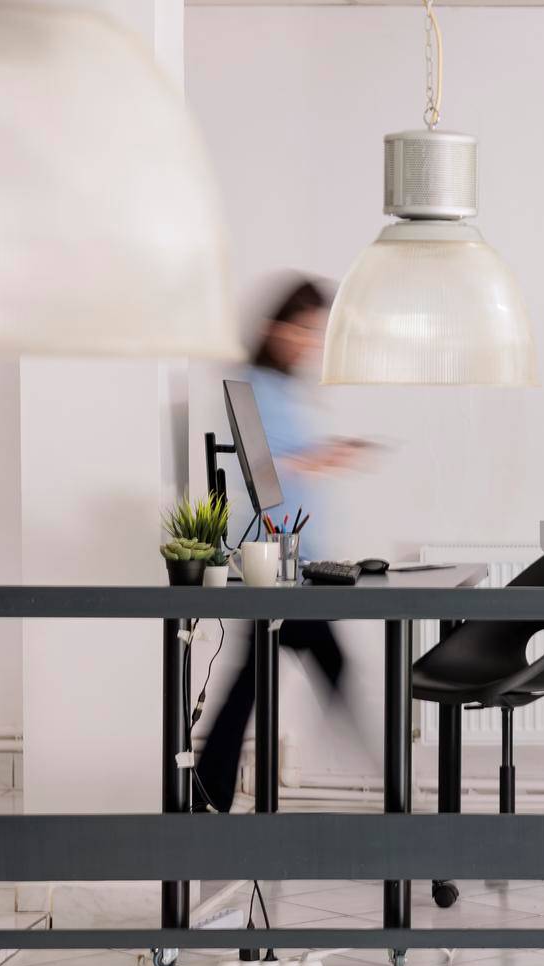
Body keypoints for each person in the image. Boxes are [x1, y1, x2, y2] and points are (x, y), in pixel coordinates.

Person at [198, 277, 367, 813]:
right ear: (275, 328)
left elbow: (285, 462)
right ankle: (390, 796)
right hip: (279, 559)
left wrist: (322, 454)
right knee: (321, 669)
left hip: (298, 555)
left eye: (314, 333)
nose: (308, 344)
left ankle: (207, 795)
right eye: (303, 331)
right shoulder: (254, 387)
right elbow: (264, 470)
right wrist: (320, 459)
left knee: (257, 681)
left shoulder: (278, 387)